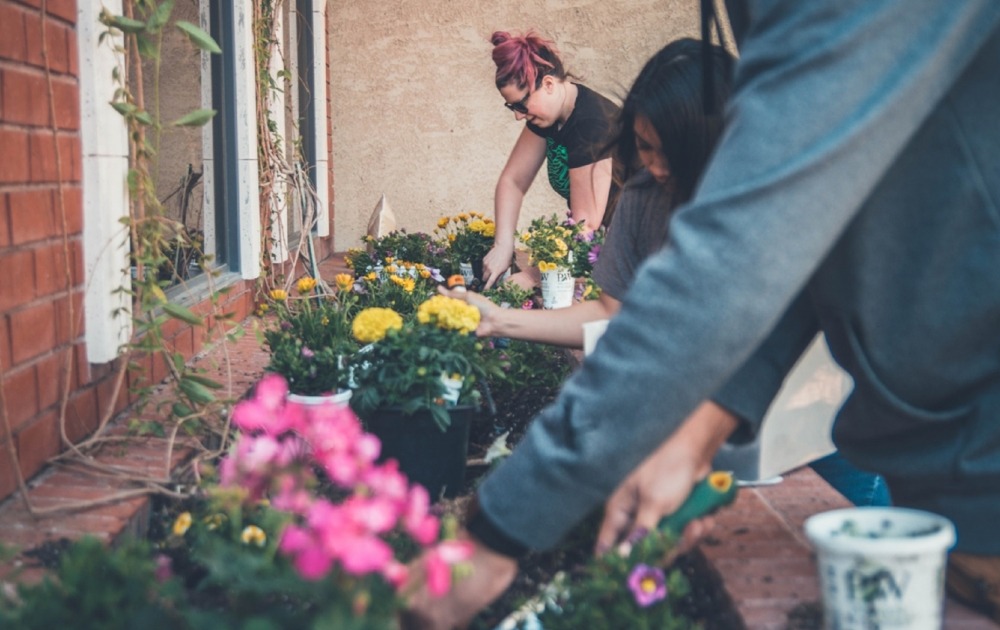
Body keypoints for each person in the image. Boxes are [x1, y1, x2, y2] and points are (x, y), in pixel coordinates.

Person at [405, 0, 1000, 627]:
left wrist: (503, 527)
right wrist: (692, 439)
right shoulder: (652, 185)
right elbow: (788, 269)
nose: (654, 170)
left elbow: (739, 257)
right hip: (950, 485)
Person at [452, 37, 890, 509]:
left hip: (826, 419)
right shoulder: (642, 197)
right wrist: (498, 319)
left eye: (670, 152)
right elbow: (610, 312)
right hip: (726, 426)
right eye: (643, 148)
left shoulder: (777, 197)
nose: (655, 168)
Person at [481, 30, 620, 290]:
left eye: (521, 105)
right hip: (601, 249)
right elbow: (513, 181)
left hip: (635, 252)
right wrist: (503, 245)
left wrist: (532, 276)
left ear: (547, 84)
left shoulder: (591, 126)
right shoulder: (549, 115)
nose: (518, 116)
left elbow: (585, 228)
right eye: (512, 107)